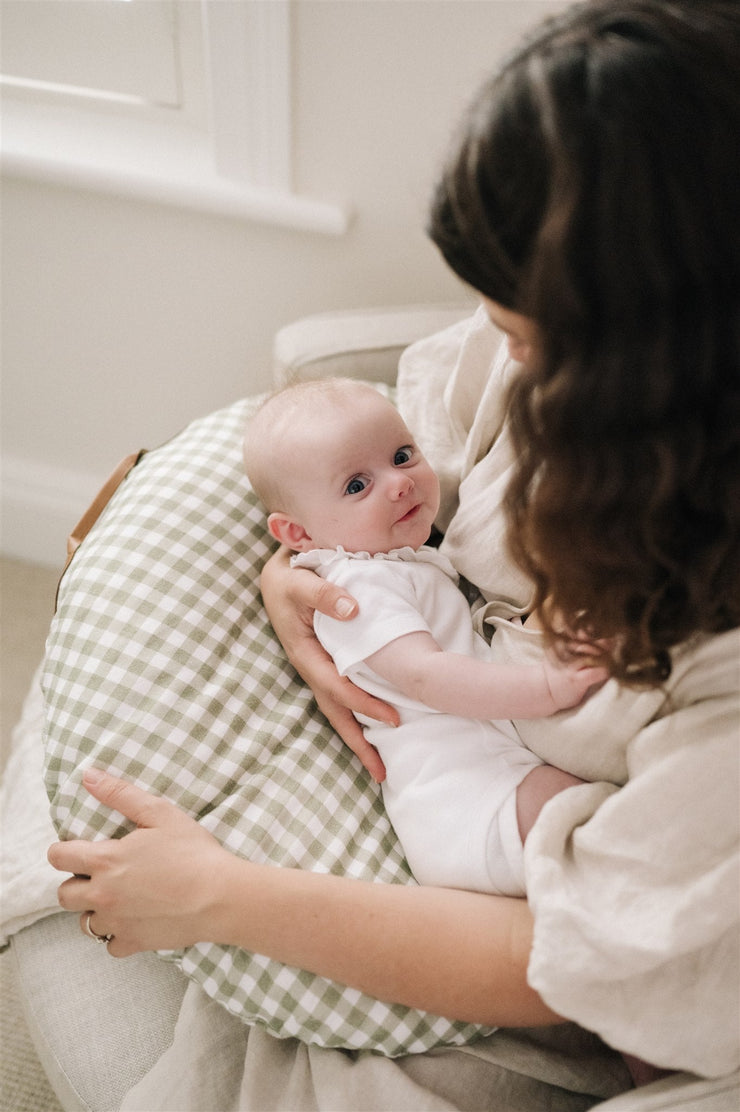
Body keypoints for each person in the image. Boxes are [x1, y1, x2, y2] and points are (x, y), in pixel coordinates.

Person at [46, 0, 739, 1107]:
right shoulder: (507, 378)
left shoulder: (715, 717)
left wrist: (222, 894)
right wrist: (301, 582)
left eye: (520, 335)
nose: (491, 345)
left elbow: (557, 956)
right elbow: (391, 468)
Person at [244, 377, 607, 897]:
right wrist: (548, 687)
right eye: (356, 485)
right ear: (297, 535)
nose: (400, 483)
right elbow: (426, 676)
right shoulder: (356, 587)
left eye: (402, 454)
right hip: (469, 806)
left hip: (494, 783)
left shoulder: (395, 561)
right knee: (601, 826)